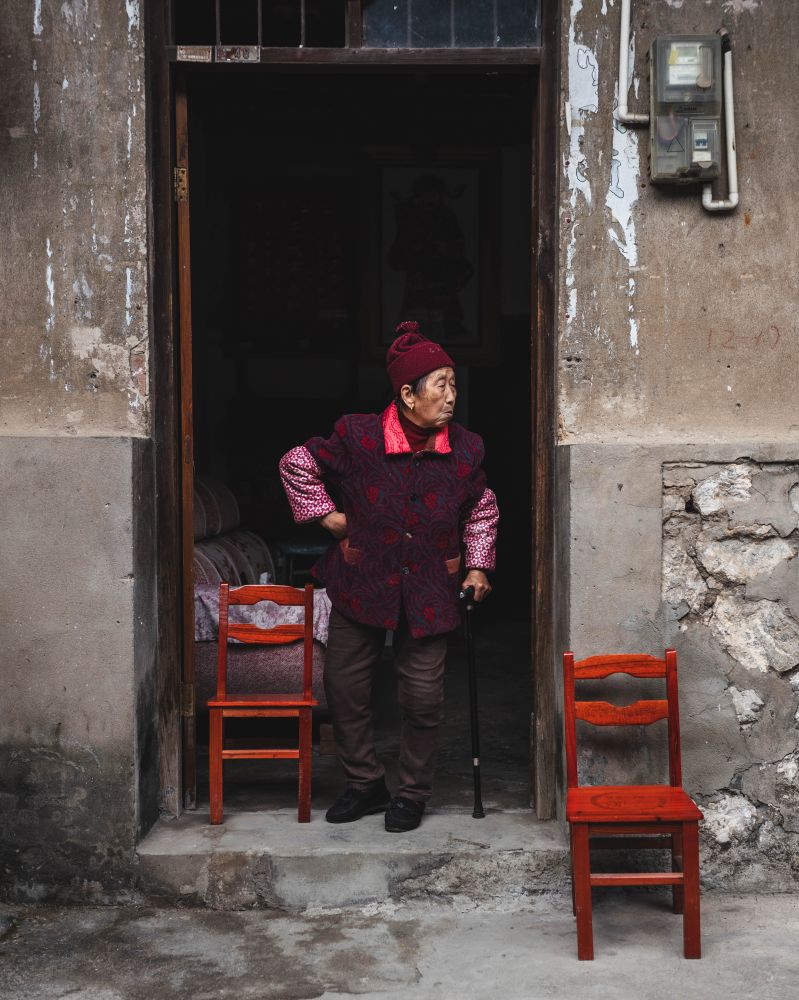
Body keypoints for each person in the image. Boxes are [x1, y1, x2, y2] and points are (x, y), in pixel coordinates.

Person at [279, 321, 498, 832]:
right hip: (363, 580)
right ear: (407, 393)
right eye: (441, 384)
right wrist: (326, 516)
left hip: (430, 589)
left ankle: (413, 793)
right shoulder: (357, 434)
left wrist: (478, 564)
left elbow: (481, 507)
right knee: (346, 689)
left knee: (422, 698)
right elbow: (295, 463)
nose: (452, 396)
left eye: (454, 383)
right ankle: (365, 784)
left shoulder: (467, 448)